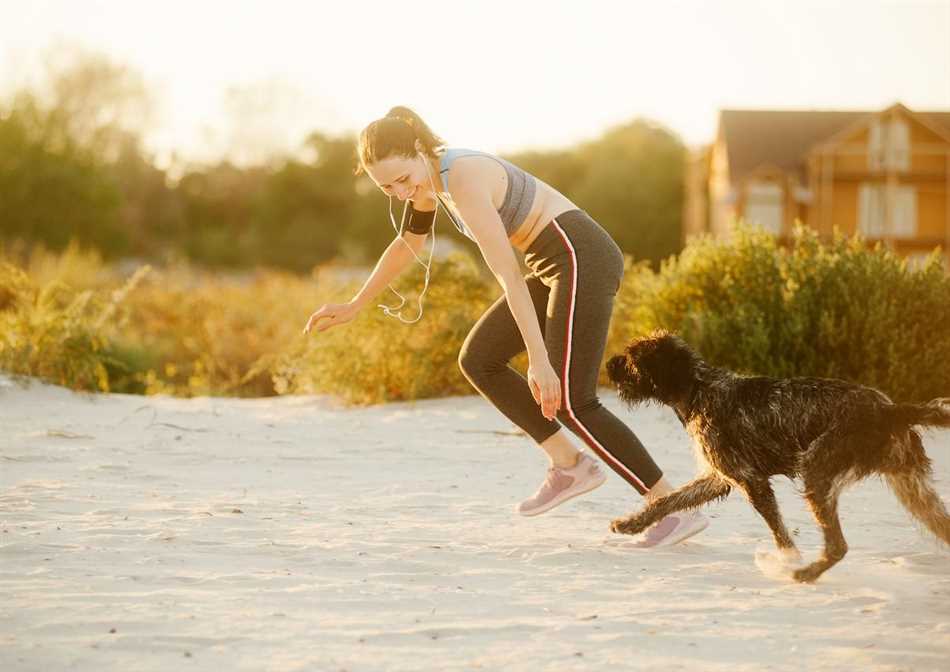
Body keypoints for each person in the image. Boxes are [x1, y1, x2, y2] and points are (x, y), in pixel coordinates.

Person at [303, 106, 708, 547]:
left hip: (579, 257)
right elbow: (409, 241)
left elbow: (509, 277)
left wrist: (539, 360)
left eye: (403, 178)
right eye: (388, 187)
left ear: (419, 148)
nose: (402, 191)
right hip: (552, 265)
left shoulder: (462, 178)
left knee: (572, 399)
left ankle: (672, 507)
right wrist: (357, 303)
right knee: (479, 359)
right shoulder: (428, 181)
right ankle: (570, 465)